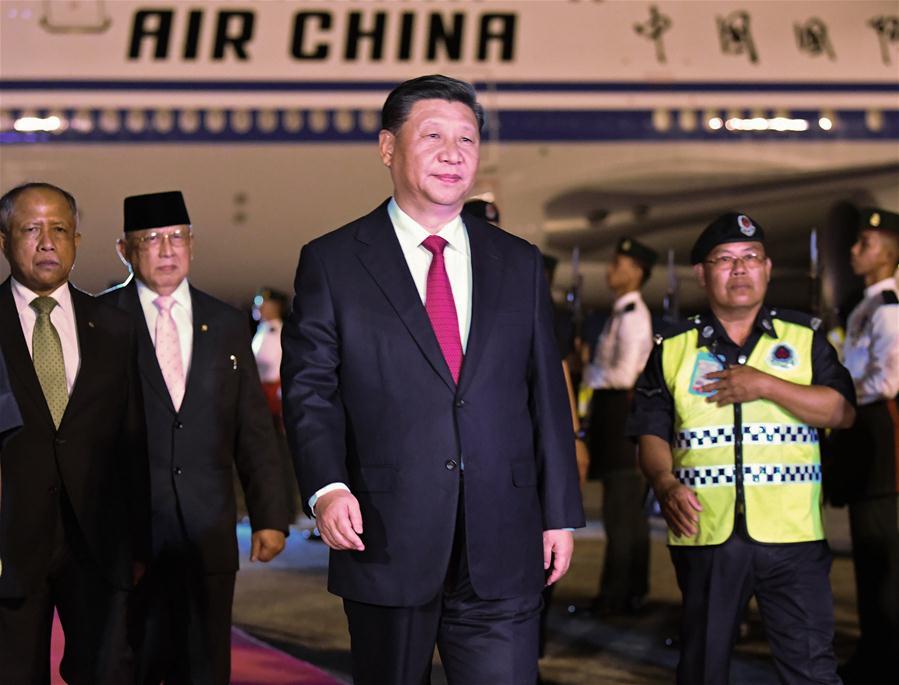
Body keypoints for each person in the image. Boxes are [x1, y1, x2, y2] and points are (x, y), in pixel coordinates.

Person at [281, 74, 585, 684]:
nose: (454, 154)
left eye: (468, 140)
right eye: (434, 136)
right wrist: (327, 488)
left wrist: (559, 512)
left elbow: (545, 396)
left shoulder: (518, 262)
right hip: (386, 536)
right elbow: (311, 390)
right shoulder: (335, 262)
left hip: (503, 538)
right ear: (388, 148)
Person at [627, 212, 856, 685]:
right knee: (704, 668)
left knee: (811, 669)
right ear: (702, 274)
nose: (739, 269)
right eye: (725, 260)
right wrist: (665, 482)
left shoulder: (805, 338)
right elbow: (649, 430)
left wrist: (765, 385)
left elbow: (841, 412)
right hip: (706, 533)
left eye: (751, 258)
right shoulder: (672, 347)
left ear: (768, 268)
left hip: (793, 537)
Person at [99, 190, 290, 685]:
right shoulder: (100, 321)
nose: (167, 251)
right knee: (127, 664)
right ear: (125, 249)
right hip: (127, 537)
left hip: (207, 532)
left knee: (204, 666)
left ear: (192, 244)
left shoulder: (226, 324)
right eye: (152, 240)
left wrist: (271, 516)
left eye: (177, 238)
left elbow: (253, 428)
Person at [0, 182, 149, 683]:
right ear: (4, 241)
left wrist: (141, 542)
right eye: (31, 229)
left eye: (59, 229)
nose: (47, 242)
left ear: (77, 241)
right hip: (10, 549)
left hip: (100, 547)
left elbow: (134, 439)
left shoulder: (114, 326)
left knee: (108, 672)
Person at [833, 207, 899, 685]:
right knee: (869, 555)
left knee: (884, 557)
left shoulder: (890, 309)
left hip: (880, 434)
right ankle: (874, 649)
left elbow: (890, 379)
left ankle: (884, 656)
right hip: (861, 434)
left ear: (891, 253)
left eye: (866, 244)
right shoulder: (865, 306)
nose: (855, 251)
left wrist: (842, 398)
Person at [579, 237, 657, 615]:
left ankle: (617, 594)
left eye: (620, 264)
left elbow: (626, 372)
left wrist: (590, 373)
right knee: (625, 514)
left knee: (621, 514)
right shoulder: (620, 314)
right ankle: (629, 589)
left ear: (637, 271)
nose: (612, 270)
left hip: (621, 419)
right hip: (614, 421)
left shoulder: (634, 316)